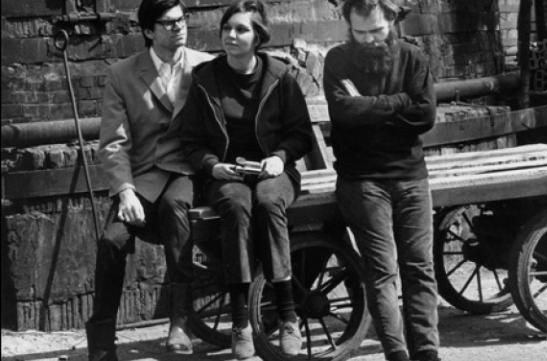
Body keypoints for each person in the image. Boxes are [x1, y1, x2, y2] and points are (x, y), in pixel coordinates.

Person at [178, 0, 313, 358]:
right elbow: (189, 140)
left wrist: (279, 158)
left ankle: (287, 315)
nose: (231, 36)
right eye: (227, 29)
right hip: (226, 174)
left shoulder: (280, 76)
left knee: (268, 202)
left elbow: (300, 133)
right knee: (236, 207)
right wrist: (211, 166)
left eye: (241, 30)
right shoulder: (205, 79)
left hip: (273, 172)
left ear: (258, 37)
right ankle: (240, 322)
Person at [86, 0, 213, 359]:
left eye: (182, 19)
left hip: (187, 171)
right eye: (168, 22)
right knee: (112, 240)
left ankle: (179, 323)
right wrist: (125, 191)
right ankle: (101, 342)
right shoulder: (123, 74)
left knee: (176, 208)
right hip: (141, 178)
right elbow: (113, 143)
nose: (179, 27)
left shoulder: (205, 66)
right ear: (147, 31)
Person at [323, 1, 440, 361]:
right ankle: (398, 354)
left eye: (377, 30)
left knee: (420, 267)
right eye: (361, 32)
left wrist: (370, 108)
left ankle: (428, 352)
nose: (371, 39)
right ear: (349, 27)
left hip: (410, 177)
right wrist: (400, 101)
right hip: (362, 181)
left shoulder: (413, 57)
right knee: (382, 270)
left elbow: (425, 115)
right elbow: (344, 112)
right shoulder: (337, 60)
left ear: (392, 21)